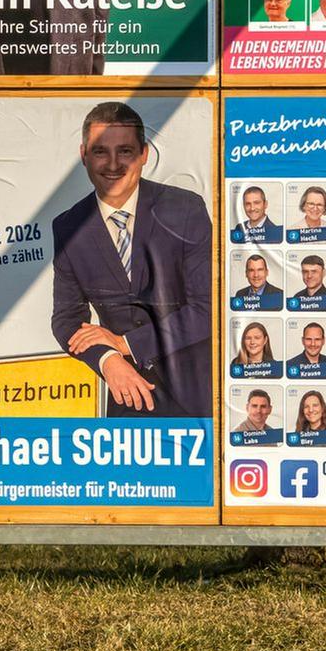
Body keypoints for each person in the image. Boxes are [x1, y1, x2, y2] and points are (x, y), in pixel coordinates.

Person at [51, 102, 213, 417]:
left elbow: (207, 309)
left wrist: (127, 343)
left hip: (198, 399)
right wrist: (108, 360)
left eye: (125, 151)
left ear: (144, 154)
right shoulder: (67, 227)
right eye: (100, 152)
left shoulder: (185, 209)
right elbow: (67, 319)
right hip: (127, 401)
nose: (113, 164)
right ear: (83, 155)